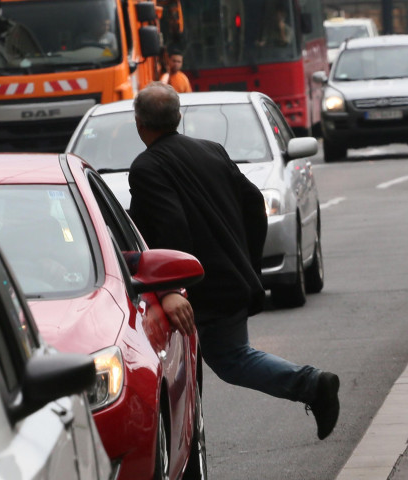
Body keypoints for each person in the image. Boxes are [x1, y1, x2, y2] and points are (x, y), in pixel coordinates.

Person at [126, 82, 341, 440]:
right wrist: (246, 262)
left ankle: (310, 385)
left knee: (216, 361)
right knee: (228, 357)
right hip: (227, 283)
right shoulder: (212, 150)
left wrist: (171, 288)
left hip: (196, 292)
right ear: (179, 117)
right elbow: (254, 203)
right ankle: (310, 385)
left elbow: (171, 226)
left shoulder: (146, 167)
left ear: (138, 124)